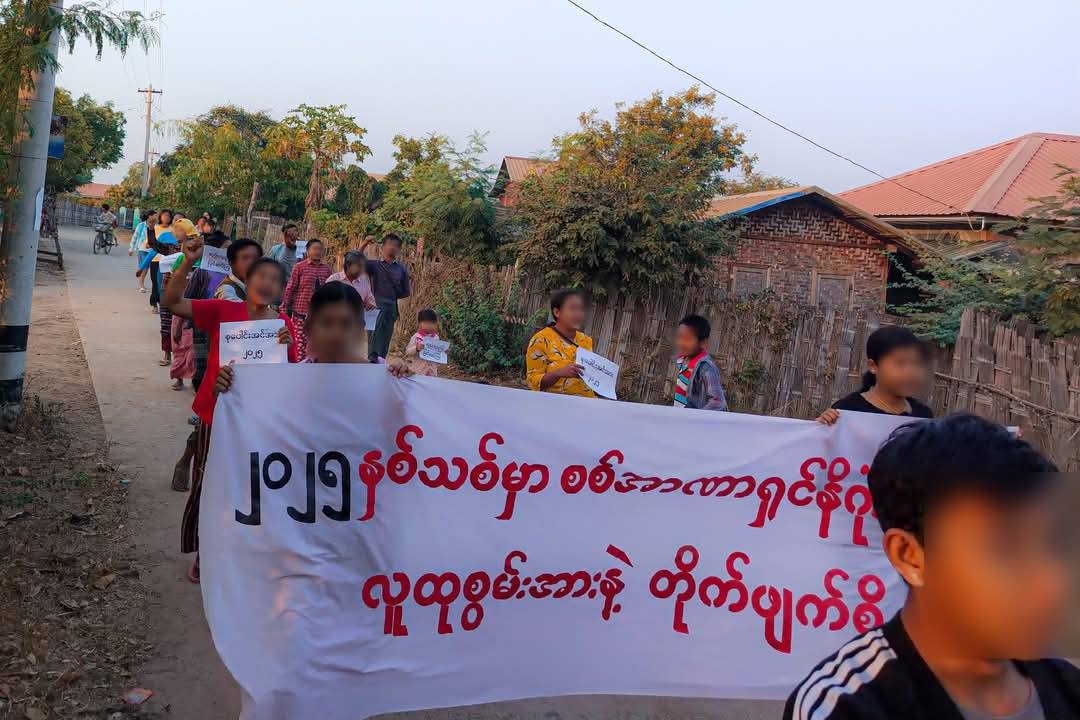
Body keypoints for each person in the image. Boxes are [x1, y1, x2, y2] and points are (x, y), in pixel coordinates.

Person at [784, 414, 1079, 720]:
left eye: (1054, 544)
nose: (1051, 581)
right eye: (1005, 547)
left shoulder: (1068, 689)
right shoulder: (844, 707)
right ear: (910, 555)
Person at [164, 239, 297, 583]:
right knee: (207, 485)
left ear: (281, 290)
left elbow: (295, 380)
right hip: (216, 417)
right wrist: (186, 263)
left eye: (274, 279)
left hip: (260, 426)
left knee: (249, 490)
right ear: (246, 279)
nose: (266, 283)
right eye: (260, 276)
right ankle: (202, 552)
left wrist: (286, 351)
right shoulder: (225, 311)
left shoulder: (282, 327)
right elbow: (172, 302)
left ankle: (237, 551)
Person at [817, 326, 933, 425]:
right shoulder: (847, 410)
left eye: (916, 363)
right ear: (873, 366)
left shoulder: (923, 416)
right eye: (900, 363)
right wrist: (822, 426)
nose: (911, 372)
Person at [525, 288, 596, 398]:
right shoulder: (541, 340)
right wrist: (558, 374)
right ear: (557, 312)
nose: (579, 314)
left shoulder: (585, 340)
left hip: (586, 407)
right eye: (573, 309)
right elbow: (532, 382)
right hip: (556, 408)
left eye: (581, 309)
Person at [360, 233, 411, 363]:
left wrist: (391, 296)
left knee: (386, 336)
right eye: (389, 244)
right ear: (383, 247)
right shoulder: (374, 265)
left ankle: (381, 360)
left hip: (392, 306)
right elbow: (356, 260)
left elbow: (406, 291)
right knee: (373, 334)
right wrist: (365, 243)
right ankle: (371, 360)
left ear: (399, 250)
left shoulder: (401, 270)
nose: (392, 248)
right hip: (375, 304)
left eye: (395, 246)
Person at [282, 238, 332, 361]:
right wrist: (284, 306)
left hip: (320, 316)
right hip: (301, 314)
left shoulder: (326, 269)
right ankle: (298, 374)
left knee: (316, 348)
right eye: (315, 248)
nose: (318, 251)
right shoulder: (299, 267)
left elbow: (331, 290)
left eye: (320, 249)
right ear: (307, 250)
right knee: (299, 347)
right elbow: (291, 287)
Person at [672, 314, 728, 411]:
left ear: (703, 343)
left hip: (692, 423)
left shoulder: (705, 367)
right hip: (681, 421)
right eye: (679, 337)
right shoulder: (683, 360)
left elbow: (718, 402)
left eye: (687, 339)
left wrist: (695, 418)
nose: (681, 343)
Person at [146, 210, 179, 364]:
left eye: (182, 224)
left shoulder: (195, 248)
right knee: (166, 323)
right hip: (168, 292)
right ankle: (167, 354)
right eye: (176, 224)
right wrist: (150, 228)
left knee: (182, 329)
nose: (177, 228)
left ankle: (179, 359)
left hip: (186, 294)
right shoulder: (170, 247)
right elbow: (153, 244)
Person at [214, 238, 263, 302]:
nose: (251, 263)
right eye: (245, 258)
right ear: (231, 263)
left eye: (255, 258)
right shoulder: (227, 290)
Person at [405, 309, 441, 377]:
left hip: (432, 373)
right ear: (419, 324)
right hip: (418, 372)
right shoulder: (416, 337)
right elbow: (407, 352)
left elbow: (438, 354)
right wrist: (416, 349)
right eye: (426, 323)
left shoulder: (436, 338)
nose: (429, 326)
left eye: (432, 323)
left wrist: (443, 351)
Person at [128, 209, 155, 293]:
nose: (155, 216)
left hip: (153, 250)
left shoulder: (157, 226)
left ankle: (143, 284)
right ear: (149, 216)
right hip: (142, 249)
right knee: (144, 266)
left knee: (147, 268)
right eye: (154, 215)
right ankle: (141, 285)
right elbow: (135, 237)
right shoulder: (141, 225)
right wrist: (131, 248)